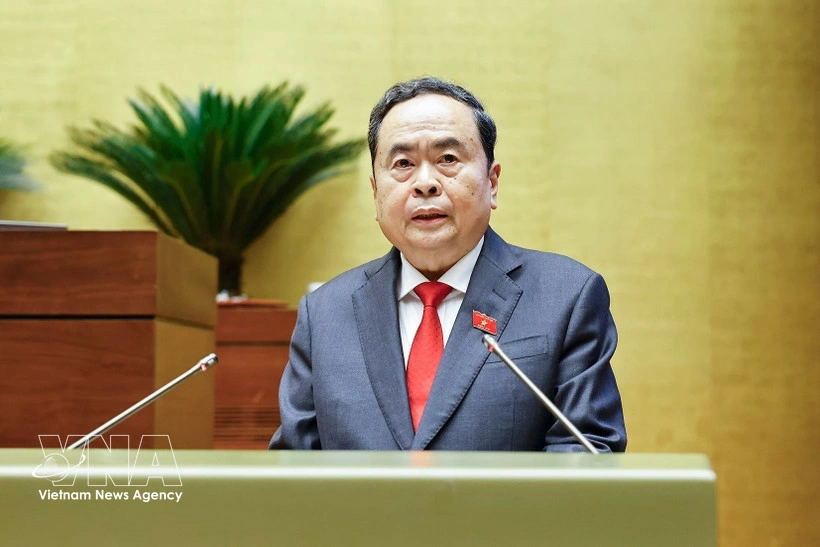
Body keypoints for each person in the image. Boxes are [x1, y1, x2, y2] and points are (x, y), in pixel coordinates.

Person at [269, 76, 626, 451]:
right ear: (376, 192)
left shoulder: (567, 296)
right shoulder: (324, 314)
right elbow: (294, 469)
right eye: (403, 163)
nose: (425, 183)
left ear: (492, 183)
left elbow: (586, 452)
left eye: (448, 159)